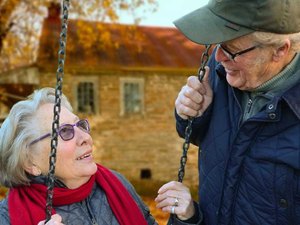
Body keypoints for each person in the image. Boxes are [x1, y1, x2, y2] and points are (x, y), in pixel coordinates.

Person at [169, 0, 300, 224]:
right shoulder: (221, 72)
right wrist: (191, 114)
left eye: (232, 49)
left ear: (280, 50)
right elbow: (203, 137)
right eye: (217, 44)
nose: (219, 57)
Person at [0, 87, 157, 225]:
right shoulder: (6, 217)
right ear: (30, 162)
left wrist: (181, 219)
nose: (85, 138)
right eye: (65, 131)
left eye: (80, 125)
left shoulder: (117, 184)